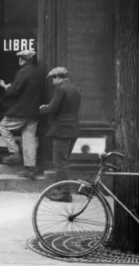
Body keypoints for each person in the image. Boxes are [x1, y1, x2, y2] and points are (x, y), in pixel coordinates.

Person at [0, 49, 43, 180]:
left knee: (3, 126)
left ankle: (14, 152)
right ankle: (30, 169)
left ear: (22, 59)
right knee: (29, 139)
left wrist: (5, 86)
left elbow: (13, 91)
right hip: (34, 112)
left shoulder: (23, 71)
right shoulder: (38, 71)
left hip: (21, 111)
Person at [39, 66, 80, 201]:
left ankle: (65, 194)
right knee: (63, 162)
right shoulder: (75, 88)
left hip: (61, 131)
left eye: (53, 79)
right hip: (72, 130)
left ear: (58, 77)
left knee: (60, 163)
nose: (52, 82)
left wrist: (43, 108)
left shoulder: (60, 89)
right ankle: (58, 190)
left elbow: (52, 109)